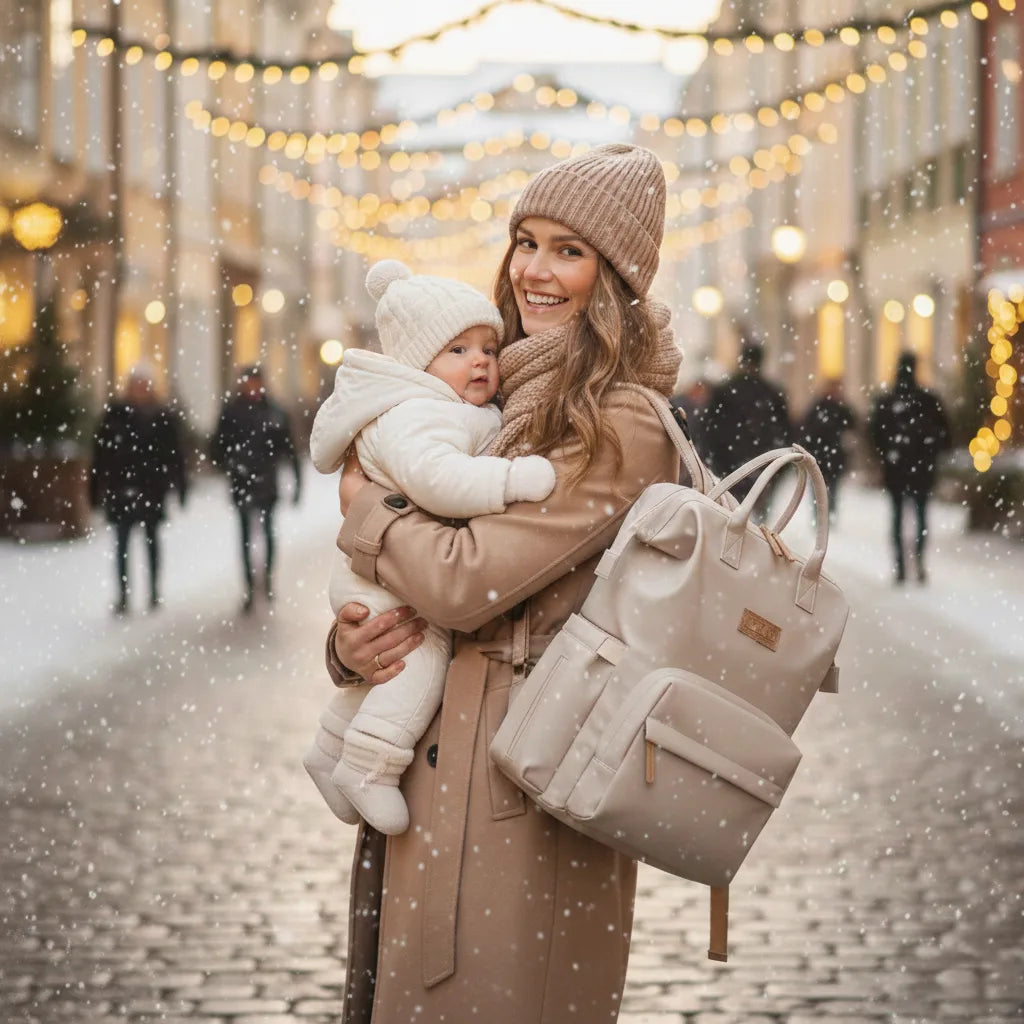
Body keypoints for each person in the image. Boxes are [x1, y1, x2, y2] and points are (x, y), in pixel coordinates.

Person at [323, 144, 683, 1022]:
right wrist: (351, 646)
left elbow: (465, 581)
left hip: (523, 791)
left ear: (614, 278)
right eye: (526, 241)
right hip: (438, 771)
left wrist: (365, 510)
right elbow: (427, 587)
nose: (534, 270)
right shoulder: (483, 404)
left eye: (569, 249)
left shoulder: (619, 420)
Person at [303, 259, 555, 835]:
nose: (481, 363)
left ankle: (331, 745)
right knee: (422, 656)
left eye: (488, 350)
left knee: (391, 667)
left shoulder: (447, 408)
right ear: (421, 364)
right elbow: (438, 480)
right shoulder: (423, 413)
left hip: (386, 563)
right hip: (386, 574)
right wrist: (511, 481)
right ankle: (371, 762)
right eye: (459, 351)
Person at [89, 362, 187, 615]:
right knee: (121, 545)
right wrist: (95, 489)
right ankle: (122, 596)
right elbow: (100, 455)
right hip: (121, 490)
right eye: (137, 384)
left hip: (151, 489)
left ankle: (154, 592)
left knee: (151, 542)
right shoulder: (115, 415)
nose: (140, 389)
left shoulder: (162, 417)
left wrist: (179, 485)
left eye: (144, 384)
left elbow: (174, 455)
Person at [209, 365, 301, 611]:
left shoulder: (274, 412)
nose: (252, 387)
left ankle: (267, 580)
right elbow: (217, 447)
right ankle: (249, 587)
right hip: (242, 482)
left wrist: (297, 483)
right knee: (246, 536)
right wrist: (231, 463)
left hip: (266, 482)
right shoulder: (232, 412)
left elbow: (289, 449)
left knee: (268, 532)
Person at [869, 351, 951, 583]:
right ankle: (919, 561)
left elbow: (875, 434)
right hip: (922, 468)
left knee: (897, 517)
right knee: (921, 516)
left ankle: (901, 567)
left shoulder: (888, 401)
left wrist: (886, 454)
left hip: (896, 468)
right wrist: (930, 452)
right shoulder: (928, 400)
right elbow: (945, 433)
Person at [702, 337, 792, 500]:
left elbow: (709, 428)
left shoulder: (725, 390)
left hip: (730, 463)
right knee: (757, 513)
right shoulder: (772, 392)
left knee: (734, 510)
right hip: (763, 462)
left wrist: (714, 459)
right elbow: (786, 430)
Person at [799, 377, 858, 521]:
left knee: (832, 489)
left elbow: (851, 427)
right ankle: (821, 515)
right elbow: (807, 430)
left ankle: (828, 514)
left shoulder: (841, 409)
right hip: (821, 456)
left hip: (834, 456)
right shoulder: (819, 407)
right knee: (819, 488)